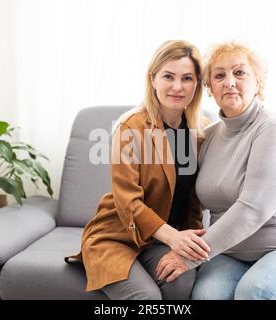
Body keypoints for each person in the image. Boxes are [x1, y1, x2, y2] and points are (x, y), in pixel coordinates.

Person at [156, 41, 276, 300]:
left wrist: (187, 256)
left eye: (239, 73)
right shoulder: (207, 137)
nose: (229, 82)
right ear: (209, 88)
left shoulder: (274, 130)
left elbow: (253, 209)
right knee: (207, 297)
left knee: (255, 292)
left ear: (258, 83)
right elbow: (179, 195)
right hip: (233, 252)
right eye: (219, 75)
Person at [66, 40, 211, 300]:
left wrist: (188, 246)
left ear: (197, 84)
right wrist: (173, 237)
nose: (177, 86)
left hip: (162, 242)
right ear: (153, 79)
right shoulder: (130, 128)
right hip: (117, 237)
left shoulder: (201, 131)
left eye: (187, 78)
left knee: (181, 286)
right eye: (169, 76)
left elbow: (193, 201)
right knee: (146, 299)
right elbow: (127, 202)